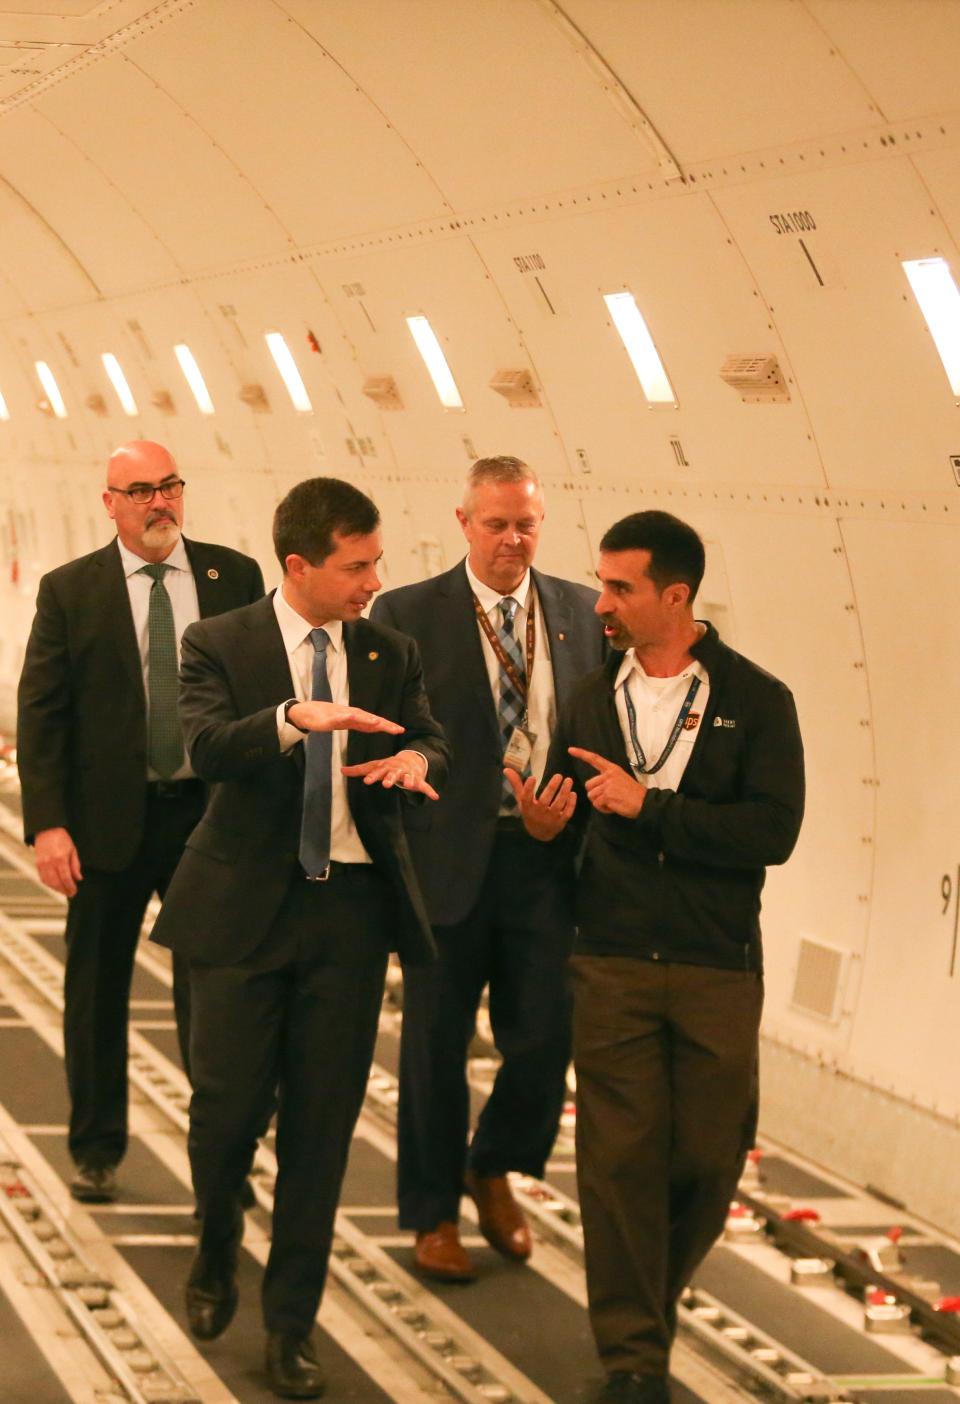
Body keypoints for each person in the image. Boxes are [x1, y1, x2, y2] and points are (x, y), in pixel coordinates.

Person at [149, 476, 449, 1400]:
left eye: (375, 563)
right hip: (242, 912)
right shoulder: (220, 641)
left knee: (322, 1131)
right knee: (226, 1113)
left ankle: (290, 1326)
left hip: (349, 918)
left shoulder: (389, 649)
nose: (372, 581)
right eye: (355, 567)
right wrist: (290, 719)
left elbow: (434, 739)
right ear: (299, 566)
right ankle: (214, 1244)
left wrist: (414, 758)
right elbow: (205, 749)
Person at [508, 510, 805, 1404]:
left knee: (712, 1160)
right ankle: (634, 1353)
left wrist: (653, 809)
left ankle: (648, 1297)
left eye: (620, 587)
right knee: (618, 1159)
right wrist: (543, 826)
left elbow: (773, 830)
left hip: (717, 963)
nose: (600, 602)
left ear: (675, 596)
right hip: (612, 959)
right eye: (600, 583)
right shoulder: (594, 698)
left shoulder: (757, 700)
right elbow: (560, 823)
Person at [370, 455, 605, 1281]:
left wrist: (563, 807)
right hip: (444, 860)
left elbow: (596, 736)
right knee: (434, 1043)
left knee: (546, 1035)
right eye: (497, 523)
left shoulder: (581, 611)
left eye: (526, 524)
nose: (513, 538)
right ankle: (431, 1214)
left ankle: (493, 1161)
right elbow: (385, 743)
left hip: (544, 855)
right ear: (464, 522)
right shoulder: (404, 615)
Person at [16, 440, 264, 1205]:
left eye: (170, 486)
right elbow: (43, 714)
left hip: (209, 819)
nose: (160, 502)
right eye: (141, 491)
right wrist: (48, 826)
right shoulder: (72, 590)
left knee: (215, 997)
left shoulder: (234, 577)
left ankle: (219, 1159)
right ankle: (95, 1147)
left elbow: (258, 695)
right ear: (111, 503)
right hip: (108, 823)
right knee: (96, 989)